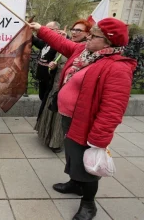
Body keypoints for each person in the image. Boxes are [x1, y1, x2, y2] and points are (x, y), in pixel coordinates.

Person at [29, 18, 137, 220]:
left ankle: (88, 204)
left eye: (94, 36)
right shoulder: (84, 52)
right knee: (72, 155)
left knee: (87, 164)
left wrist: (98, 139)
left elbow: (113, 109)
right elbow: (62, 43)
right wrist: (40, 29)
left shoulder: (117, 67)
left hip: (88, 125)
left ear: (108, 42)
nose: (88, 36)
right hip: (69, 117)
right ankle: (75, 183)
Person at [35, 19, 92, 153]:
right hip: (56, 84)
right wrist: (55, 67)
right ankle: (46, 136)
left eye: (79, 30)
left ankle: (56, 142)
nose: (74, 32)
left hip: (71, 89)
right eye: (73, 29)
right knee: (50, 110)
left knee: (61, 116)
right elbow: (58, 49)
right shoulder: (72, 45)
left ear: (87, 34)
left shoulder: (87, 51)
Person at [32, 21, 60, 102]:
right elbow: (37, 42)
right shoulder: (46, 41)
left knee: (47, 100)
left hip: (50, 79)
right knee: (42, 97)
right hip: (42, 77)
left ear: (56, 30)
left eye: (48, 29)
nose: (46, 31)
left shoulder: (59, 43)